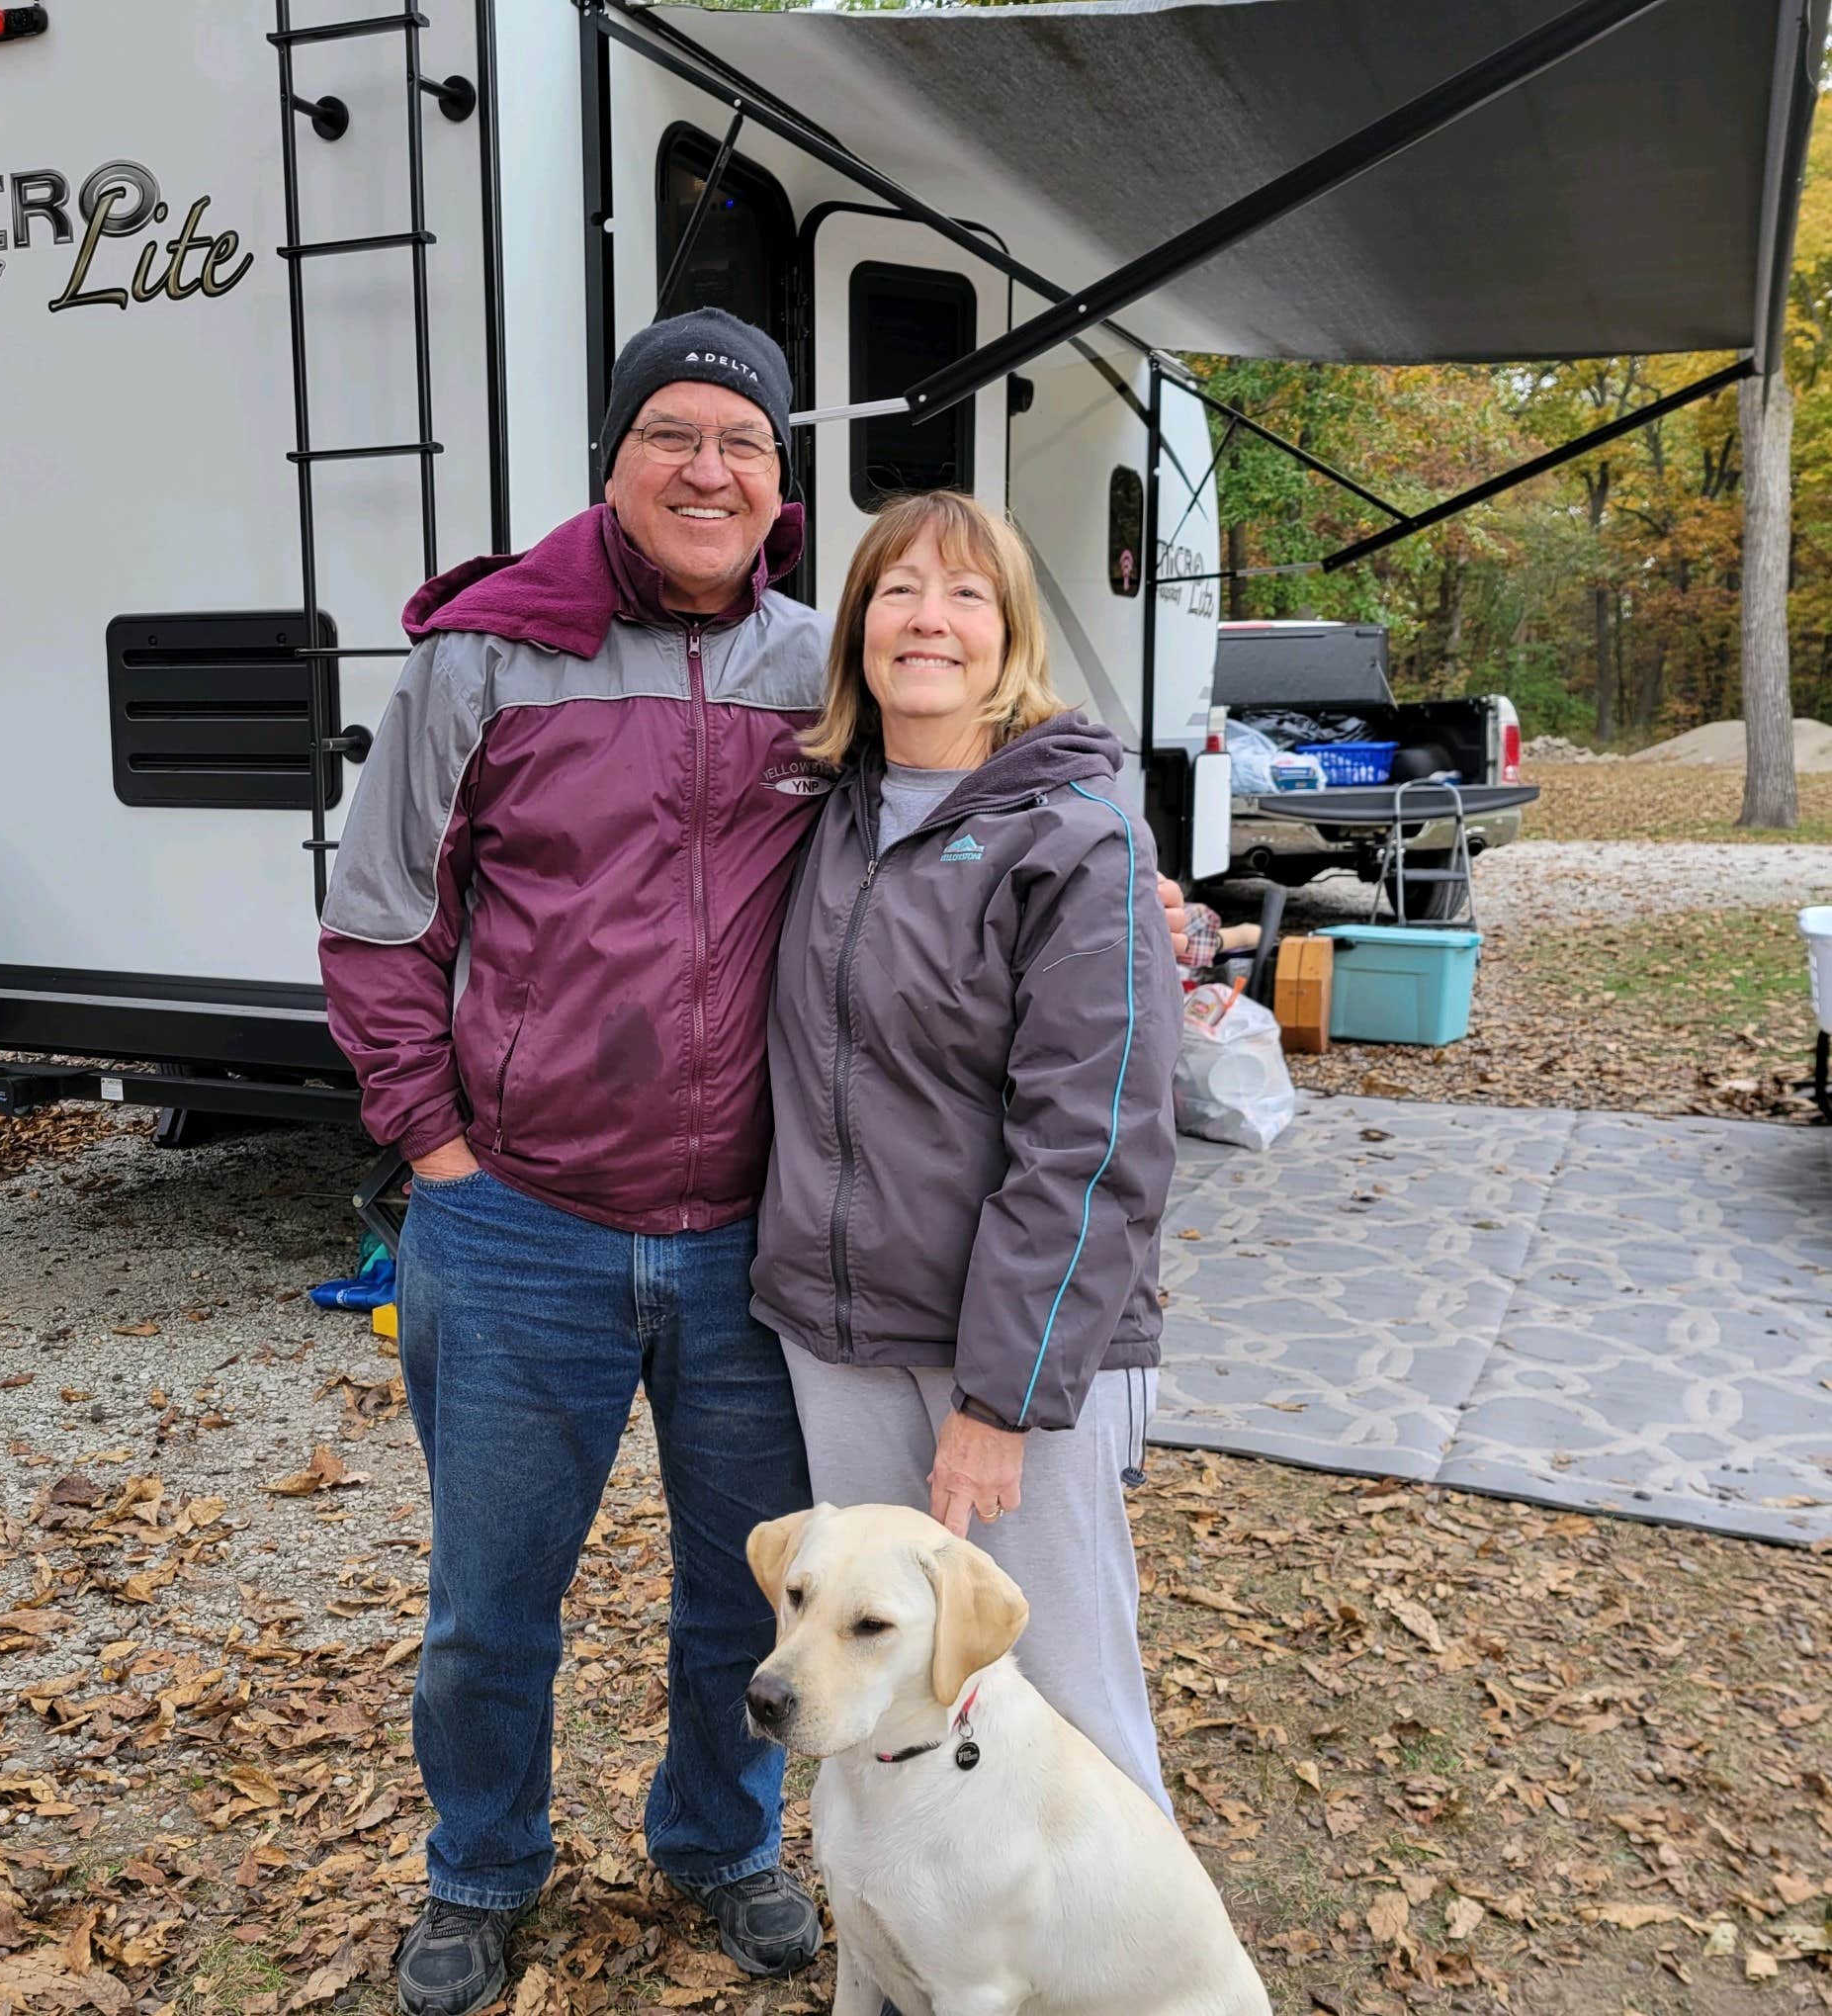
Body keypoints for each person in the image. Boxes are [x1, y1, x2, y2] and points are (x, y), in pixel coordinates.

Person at [318, 308, 833, 2016]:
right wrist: (437, 1146)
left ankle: (720, 1842)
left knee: (747, 1600)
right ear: (612, 462)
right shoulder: (485, 657)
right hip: (520, 1225)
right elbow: (378, 920)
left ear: (780, 484)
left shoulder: (821, 668)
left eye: (744, 442)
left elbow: (968, 818)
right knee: (490, 1604)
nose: (709, 468)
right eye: (671, 434)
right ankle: (479, 1868)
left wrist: (1128, 887)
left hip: (754, 1233)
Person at [750, 488, 1182, 1815]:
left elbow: (1093, 1141)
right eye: (896, 590)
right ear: (856, 629)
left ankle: (1136, 1927)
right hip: (842, 1339)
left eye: (965, 593)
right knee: (887, 1696)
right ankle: (925, 1923)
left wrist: (1001, 1402)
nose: (927, 618)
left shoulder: (1077, 836)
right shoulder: (826, 817)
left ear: (1011, 634)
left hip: (1003, 1356)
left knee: (1061, 1691)